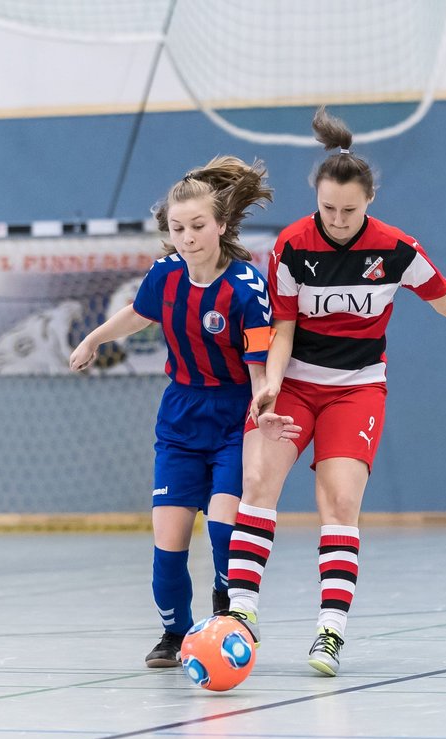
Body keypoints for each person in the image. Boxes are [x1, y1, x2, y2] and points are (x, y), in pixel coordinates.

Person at [223, 107, 446, 677]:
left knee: (341, 501)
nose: (336, 219)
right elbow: (281, 327)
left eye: (349, 210)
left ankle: (330, 631)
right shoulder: (291, 246)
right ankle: (241, 616)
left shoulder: (396, 250)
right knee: (257, 479)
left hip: (356, 391)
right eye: (327, 208)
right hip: (297, 386)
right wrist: (273, 386)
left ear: (369, 202)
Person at [69, 155, 297, 668]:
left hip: (232, 417)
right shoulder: (165, 274)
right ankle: (173, 634)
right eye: (178, 228)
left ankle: (226, 604)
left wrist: (264, 405)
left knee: (223, 529)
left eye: (198, 226)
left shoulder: (246, 285)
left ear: (220, 225)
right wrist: (94, 338)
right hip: (179, 417)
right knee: (167, 543)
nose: (188, 237)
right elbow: (138, 313)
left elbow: (260, 361)